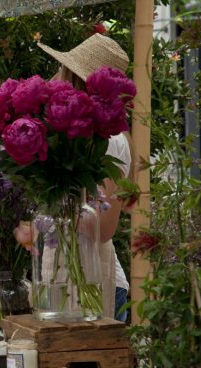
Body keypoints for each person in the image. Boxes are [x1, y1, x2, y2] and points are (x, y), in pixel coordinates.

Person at [39, 33, 132, 322]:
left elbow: (104, 229)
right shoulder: (64, 135)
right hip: (61, 274)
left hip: (97, 282)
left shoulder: (111, 140)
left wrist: (62, 205)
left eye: (64, 72)